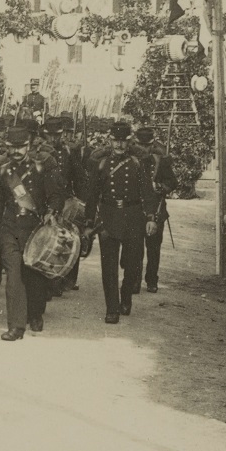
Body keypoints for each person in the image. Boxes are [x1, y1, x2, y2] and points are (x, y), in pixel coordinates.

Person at [0, 124, 63, 340]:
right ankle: (16, 326)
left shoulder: (41, 168)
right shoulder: (3, 172)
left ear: (28, 146)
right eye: (12, 147)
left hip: (35, 229)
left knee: (34, 276)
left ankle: (36, 313)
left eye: (20, 147)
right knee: (14, 276)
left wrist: (51, 211)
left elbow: (56, 195)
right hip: (10, 229)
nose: (16, 152)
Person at [85, 121, 147, 324]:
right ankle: (112, 308)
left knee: (133, 264)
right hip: (108, 217)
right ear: (110, 141)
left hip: (133, 216)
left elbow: (149, 192)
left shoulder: (138, 163)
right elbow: (92, 195)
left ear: (129, 142)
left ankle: (126, 293)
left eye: (124, 141)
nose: (119, 145)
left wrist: (152, 218)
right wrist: (88, 221)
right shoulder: (101, 163)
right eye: (116, 141)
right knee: (108, 266)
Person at [138, 126, 178, 294]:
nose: (144, 149)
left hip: (156, 208)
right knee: (135, 248)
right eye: (141, 145)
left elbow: (173, 182)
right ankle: (133, 280)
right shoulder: (131, 160)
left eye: (147, 146)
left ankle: (151, 280)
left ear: (152, 144)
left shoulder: (160, 161)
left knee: (153, 249)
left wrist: (161, 187)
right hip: (136, 210)